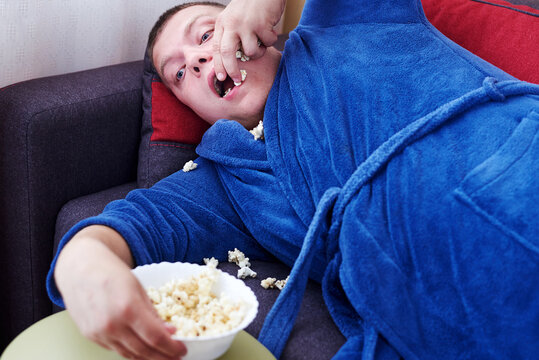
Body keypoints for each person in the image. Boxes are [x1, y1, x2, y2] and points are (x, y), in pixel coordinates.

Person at [47, 0, 539, 359]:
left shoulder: (349, 20)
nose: (195, 62)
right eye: (179, 75)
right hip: (445, 305)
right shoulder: (228, 182)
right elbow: (139, 222)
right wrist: (83, 263)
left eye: (204, 36)